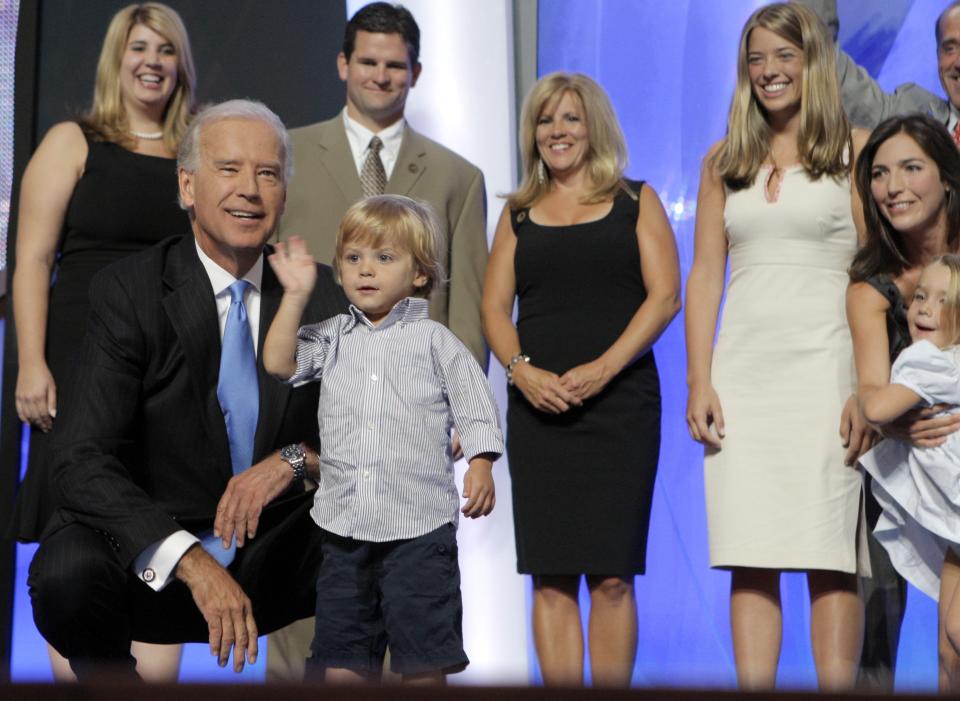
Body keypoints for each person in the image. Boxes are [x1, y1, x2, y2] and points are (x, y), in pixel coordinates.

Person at [26, 99, 348, 680]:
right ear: (187, 185)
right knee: (65, 570)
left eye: (267, 173)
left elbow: (378, 447)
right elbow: (79, 459)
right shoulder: (130, 291)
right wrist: (190, 560)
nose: (249, 189)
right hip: (157, 556)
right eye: (228, 169)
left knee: (398, 532)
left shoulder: (324, 295)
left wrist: (296, 460)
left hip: (275, 550)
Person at [685, 3, 869, 690]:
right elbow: (705, 276)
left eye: (783, 56)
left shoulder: (855, 150)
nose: (769, 71)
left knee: (830, 552)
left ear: (812, 62)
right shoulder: (723, 161)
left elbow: (876, 274)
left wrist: (868, 384)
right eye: (757, 59)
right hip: (744, 374)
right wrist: (699, 379)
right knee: (750, 549)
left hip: (829, 369)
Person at [10, 2, 196, 680]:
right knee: (78, 537)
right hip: (80, 367)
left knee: (161, 530)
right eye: (140, 47)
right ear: (117, 58)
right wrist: (31, 363)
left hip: (171, 376)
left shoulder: (198, 152)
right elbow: (31, 260)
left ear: (181, 66)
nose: (152, 61)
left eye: (166, 49)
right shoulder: (72, 141)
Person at [481, 72, 680, 687]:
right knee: (551, 574)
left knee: (614, 576)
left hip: (621, 408)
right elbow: (494, 309)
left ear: (594, 126)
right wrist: (521, 374)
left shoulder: (634, 200)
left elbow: (665, 296)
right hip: (540, 413)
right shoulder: (516, 214)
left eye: (570, 118)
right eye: (545, 120)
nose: (557, 131)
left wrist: (604, 369)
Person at [262, 195, 503, 683]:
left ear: (419, 273)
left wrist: (481, 462)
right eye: (353, 258)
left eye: (383, 258)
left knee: (422, 658)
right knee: (342, 656)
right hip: (344, 530)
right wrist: (293, 297)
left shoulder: (435, 342)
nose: (365, 270)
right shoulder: (332, 337)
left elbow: (475, 402)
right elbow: (279, 363)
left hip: (418, 531)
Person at [278, 2, 487, 368]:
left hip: (415, 396)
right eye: (368, 62)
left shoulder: (458, 178)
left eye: (394, 65)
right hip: (305, 381)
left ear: (415, 72)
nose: (380, 76)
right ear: (344, 64)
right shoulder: (286, 155)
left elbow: (468, 313)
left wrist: (464, 409)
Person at [846, 113, 960, 688]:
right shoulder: (872, 285)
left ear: (947, 178)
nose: (894, 187)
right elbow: (870, 394)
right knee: (877, 623)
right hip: (902, 475)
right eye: (880, 174)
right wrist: (899, 425)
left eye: (912, 168)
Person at [856, 255, 960, 693]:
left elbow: (877, 408)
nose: (922, 308)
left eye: (942, 301)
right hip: (953, 529)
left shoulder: (930, 363)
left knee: (956, 630)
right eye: (919, 296)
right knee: (946, 648)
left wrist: (861, 394)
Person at [797, 0, 959, 131]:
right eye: (950, 48)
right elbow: (820, 49)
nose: (958, 62)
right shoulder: (911, 117)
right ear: (937, 55)